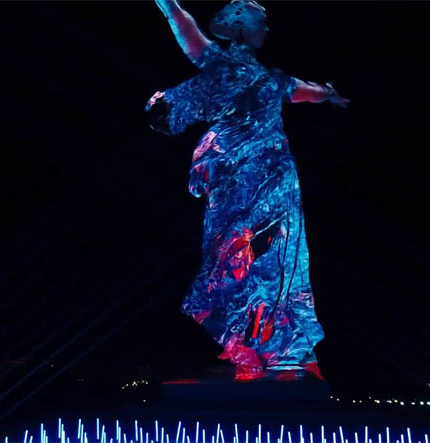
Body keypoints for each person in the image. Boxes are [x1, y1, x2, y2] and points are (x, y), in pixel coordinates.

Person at [145, 0, 350, 382]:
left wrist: (328, 93)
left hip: (276, 181)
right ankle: (246, 350)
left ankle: (284, 351)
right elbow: (186, 29)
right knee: (236, 259)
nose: (267, 30)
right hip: (238, 182)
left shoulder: (272, 79)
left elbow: (303, 90)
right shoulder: (220, 66)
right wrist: (168, 4)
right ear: (241, 28)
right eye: (261, 23)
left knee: (280, 262)